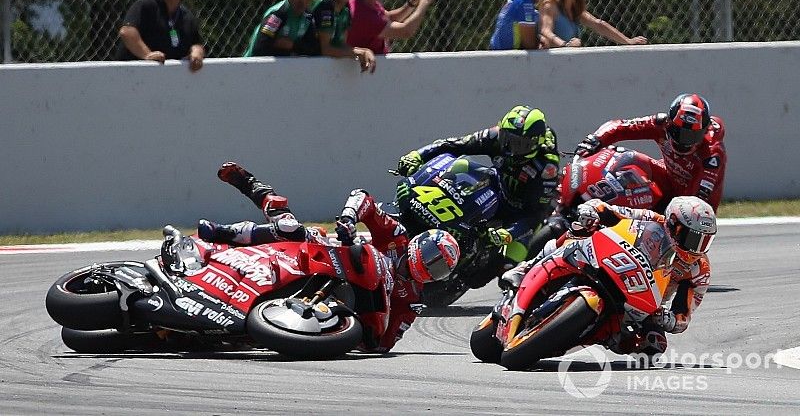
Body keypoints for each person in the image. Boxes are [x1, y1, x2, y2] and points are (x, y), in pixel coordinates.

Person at [197, 162, 460, 353]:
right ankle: (225, 229)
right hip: (332, 256)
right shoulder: (397, 237)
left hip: (343, 304)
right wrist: (348, 218)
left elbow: (387, 341)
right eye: (433, 259)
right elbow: (364, 199)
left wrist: (372, 338)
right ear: (420, 245)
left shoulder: (413, 297)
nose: (430, 269)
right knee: (290, 226)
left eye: (440, 271)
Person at [502, 195, 717, 357]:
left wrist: (669, 320)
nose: (697, 248)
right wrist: (592, 210)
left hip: (643, 300)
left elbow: (684, 315)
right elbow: (610, 210)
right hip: (612, 263)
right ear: (673, 225)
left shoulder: (700, 270)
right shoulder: (652, 219)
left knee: (654, 347)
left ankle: (594, 335)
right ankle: (527, 267)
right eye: (693, 239)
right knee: (579, 228)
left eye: (705, 242)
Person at [395, 105, 561, 259]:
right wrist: (417, 155)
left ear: (535, 144)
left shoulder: (546, 168)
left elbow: (536, 214)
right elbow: (454, 145)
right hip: (497, 187)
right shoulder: (495, 136)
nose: (510, 148)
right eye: (507, 139)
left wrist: (508, 233)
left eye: (519, 145)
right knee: (461, 166)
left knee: (508, 261)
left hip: (521, 208)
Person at [575, 93, 727, 211]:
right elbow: (622, 126)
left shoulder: (712, 153)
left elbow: (698, 198)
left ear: (704, 130)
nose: (684, 141)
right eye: (678, 132)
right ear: (669, 122)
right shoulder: (661, 124)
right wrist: (594, 140)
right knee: (629, 158)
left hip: (694, 204)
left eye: (692, 135)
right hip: (668, 179)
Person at [115, 0, 205, 71]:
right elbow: (127, 32)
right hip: (134, 74)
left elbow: (196, 43)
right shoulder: (146, 5)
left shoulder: (187, 16)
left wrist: (197, 53)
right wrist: (147, 55)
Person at [346, 0, 434, 55]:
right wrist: (424, 2)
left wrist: (412, 3)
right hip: (370, 67)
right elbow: (405, 31)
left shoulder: (363, 2)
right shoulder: (363, 15)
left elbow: (389, 18)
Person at [310, 0, 376, 72]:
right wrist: (358, 52)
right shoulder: (325, 8)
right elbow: (326, 50)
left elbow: (340, 44)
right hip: (306, 59)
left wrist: (364, 51)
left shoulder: (346, 10)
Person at [243, 0, 317, 57]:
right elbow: (260, 48)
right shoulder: (278, 14)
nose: (301, 0)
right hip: (255, 64)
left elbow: (312, 49)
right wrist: (295, 49)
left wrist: (292, 45)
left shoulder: (308, 17)